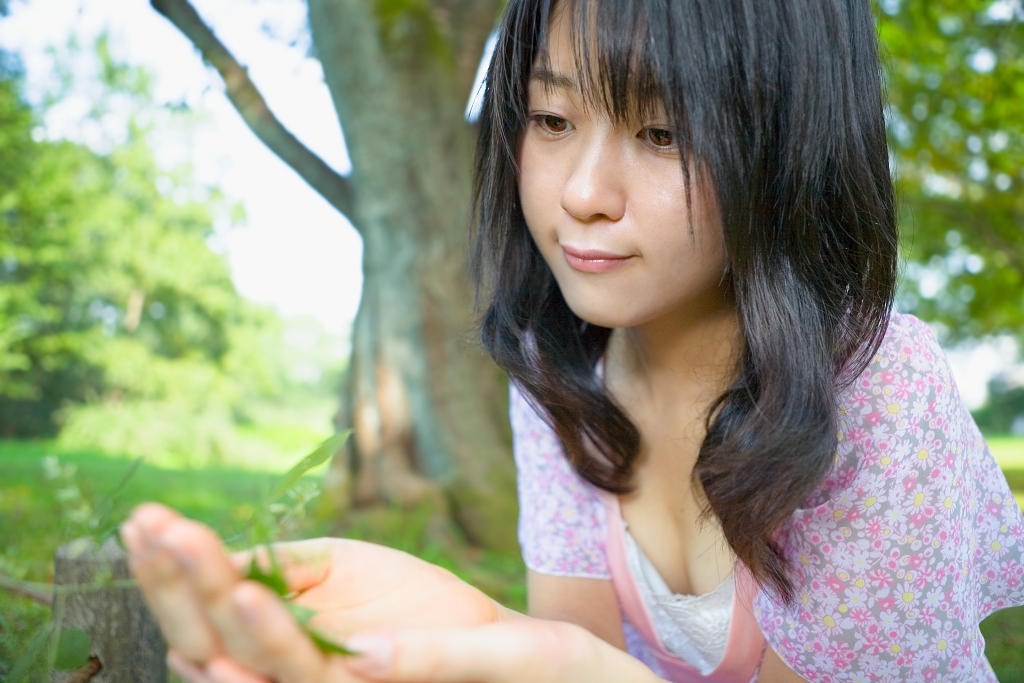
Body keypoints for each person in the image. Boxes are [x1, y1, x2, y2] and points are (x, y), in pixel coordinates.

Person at [122, 0, 1024, 681]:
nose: (582, 191)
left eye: (662, 132)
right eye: (551, 120)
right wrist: (464, 630)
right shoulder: (561, 381)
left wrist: (561, 661)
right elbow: (571, 654)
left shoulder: (879, 394)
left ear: (789, 148)